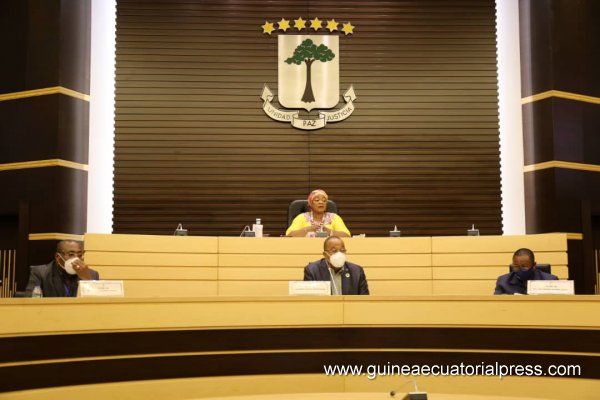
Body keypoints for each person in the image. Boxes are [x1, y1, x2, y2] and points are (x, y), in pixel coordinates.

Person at [25, 240, 99, 297]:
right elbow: (30, 301)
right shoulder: (41, 273)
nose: (76, 259)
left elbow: (96, 304)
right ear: (58, 257)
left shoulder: (92, 274)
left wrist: (87, 280)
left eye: (79, 255)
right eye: (71, 254)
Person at [303, 236, 369, 295]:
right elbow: (309, 299)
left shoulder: (357, 271)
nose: (339, 254)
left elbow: (364, 300)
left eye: (342, 251)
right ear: (325, 254)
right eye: (334, 251)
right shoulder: (312, 270)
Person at [286, 189, 351, 237]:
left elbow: (347, 235)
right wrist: (307, 229)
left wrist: (329, 231)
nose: (321, 202)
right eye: (317, 200)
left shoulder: (334, 217)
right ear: (310, 204)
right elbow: (289, 235)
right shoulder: (302, 217)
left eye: (324, 201)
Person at [494, 248, 558, 295]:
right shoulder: (503, 281)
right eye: (516, 266)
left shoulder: (551, 281)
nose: (520, 269)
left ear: (534, 265)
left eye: (524, 266)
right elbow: (497, 304)